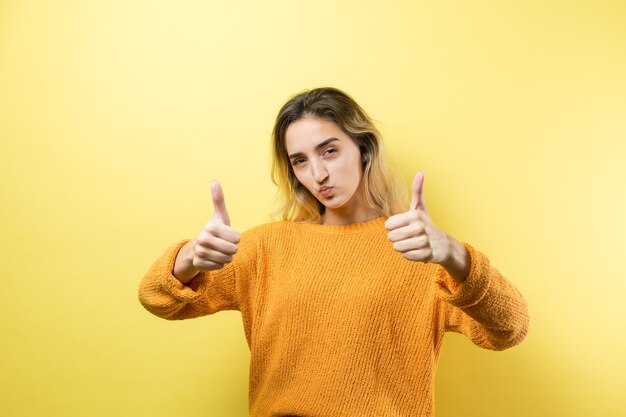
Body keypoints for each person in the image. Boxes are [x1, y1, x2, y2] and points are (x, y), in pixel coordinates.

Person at [138, 87, 529, 416]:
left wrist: (454, 254)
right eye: (300, 162)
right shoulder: (266, 247)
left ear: (362, 148)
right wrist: (190, 257)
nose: (318, 176)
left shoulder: (419, 249)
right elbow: (156, 298)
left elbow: (510, 329)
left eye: (329, 151)